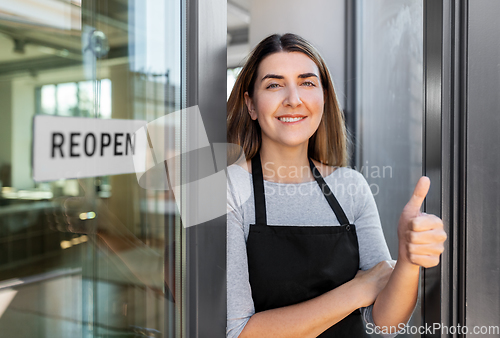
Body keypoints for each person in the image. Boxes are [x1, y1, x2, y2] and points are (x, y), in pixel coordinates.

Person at [226, 33, 447, 338]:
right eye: (274, 84)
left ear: (324, 97)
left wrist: (407, 262)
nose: (293, 99)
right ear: (251, 105)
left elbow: (384, 324)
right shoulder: (231, 187)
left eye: (307, 82)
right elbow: (239, 332)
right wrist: (358, 290)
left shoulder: (351, 186)